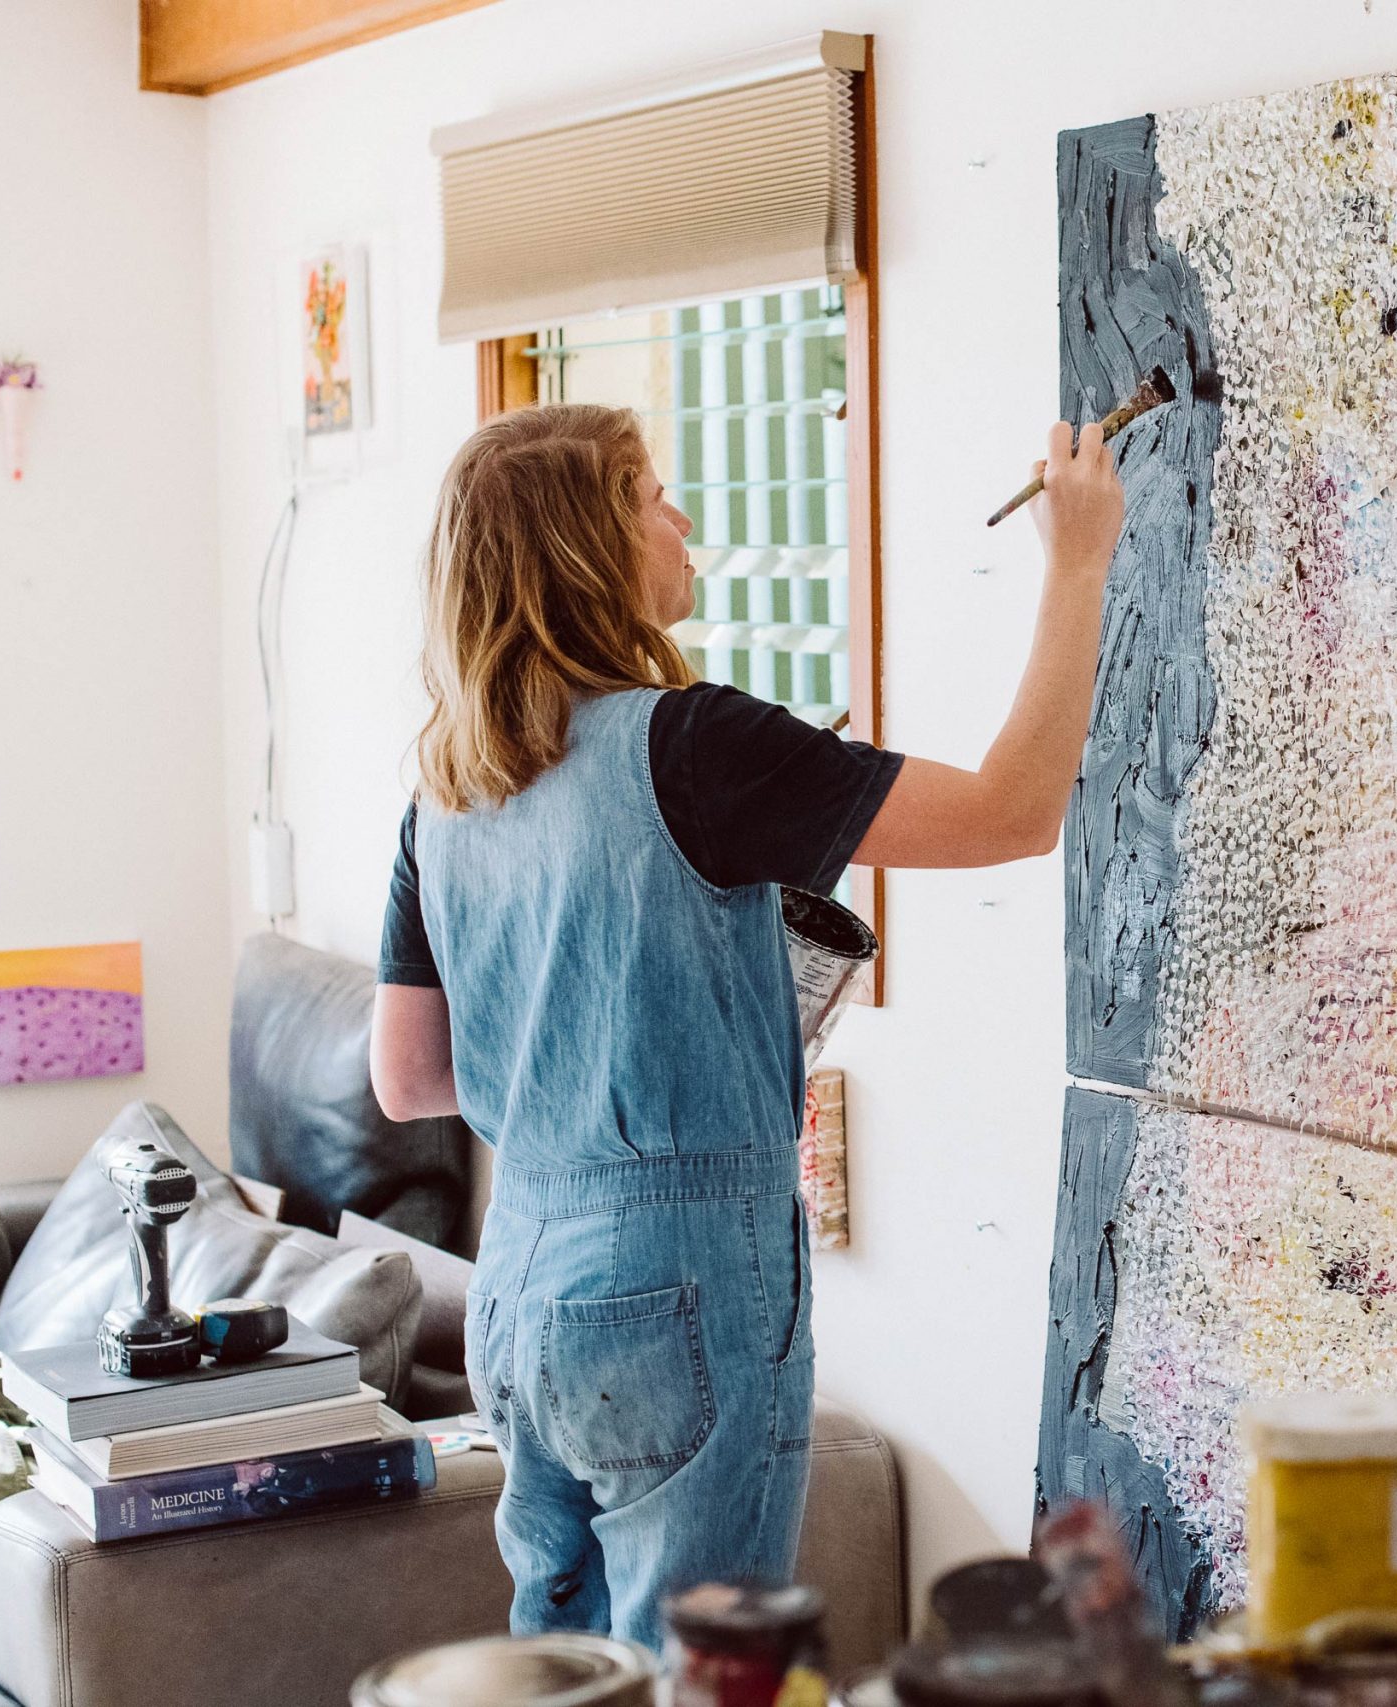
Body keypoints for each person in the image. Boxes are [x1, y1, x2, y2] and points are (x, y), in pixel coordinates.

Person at [368, 402, 1122, 1653]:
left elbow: (408, 1077)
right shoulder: (695, 745)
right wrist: (1079, 560)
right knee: (705, 1678)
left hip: (515, 1297)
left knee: (570, 1675)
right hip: (675, 1285)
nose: (683, 519)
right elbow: (1013, 813)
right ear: (584, 547)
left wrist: (622, 1029)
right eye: (649, 495)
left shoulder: (445, 790)